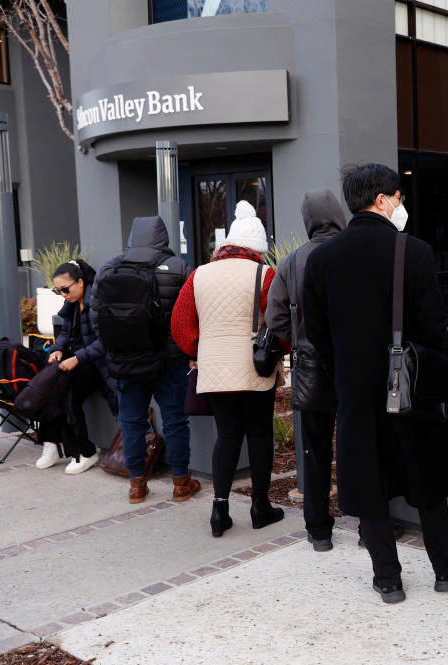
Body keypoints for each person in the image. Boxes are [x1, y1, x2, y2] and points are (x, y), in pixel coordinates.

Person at [303, 163, 448, 604]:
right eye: (399, 197)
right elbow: (434, 330)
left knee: (368, 481)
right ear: (381, 200)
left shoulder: (321, 260)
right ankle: (444, 567)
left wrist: (347, 371)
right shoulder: (412, 252)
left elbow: (317, 335)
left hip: (354, 390)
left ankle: (387, 579)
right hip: (409, 385)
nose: (402, 204)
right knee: (426, 475)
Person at [173, 201, 285, 537]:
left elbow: (180, 325)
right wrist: (281, 351)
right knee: (261, 435)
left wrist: (201, 350)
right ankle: (260, 507)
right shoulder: (264, 275)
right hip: (255, 368)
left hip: (214, 370)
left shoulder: (199, 274)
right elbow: (280, 323)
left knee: (227, 436)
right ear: (258, 249)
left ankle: (219, 510)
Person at [94, 216, 198, 504]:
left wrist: (113, 349)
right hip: (170, 360)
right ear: (163, 238)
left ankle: (137, 485)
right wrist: (189, 351)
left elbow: (96, 316)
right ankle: (180, 483)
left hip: (126, 360)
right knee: (176, 420)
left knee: (131, 421)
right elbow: (191, 313)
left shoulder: (109, 267)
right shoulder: (178, 267)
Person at [265, 190, 346, 550]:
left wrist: (298, 339)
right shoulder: (352, 251)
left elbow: (275, 318)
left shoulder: (293, 261)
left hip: (310, 365)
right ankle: (369, 525)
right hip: (355, 364)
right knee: (357, 443)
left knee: (314, 450)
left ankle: (318, 529)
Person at [41, 260, 116, 474]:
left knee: (68, 394)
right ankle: (51, 442)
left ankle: (86, 451)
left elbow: (106, 342)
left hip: (98, 363)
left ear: (81, 282)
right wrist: (57, 348)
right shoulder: (72, 304)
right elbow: (65, 332)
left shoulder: (98, 301)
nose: (63, 294)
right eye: (58, 291)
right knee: (47, 383)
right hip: (79, 358)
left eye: (66, 289)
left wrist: (77, 358)